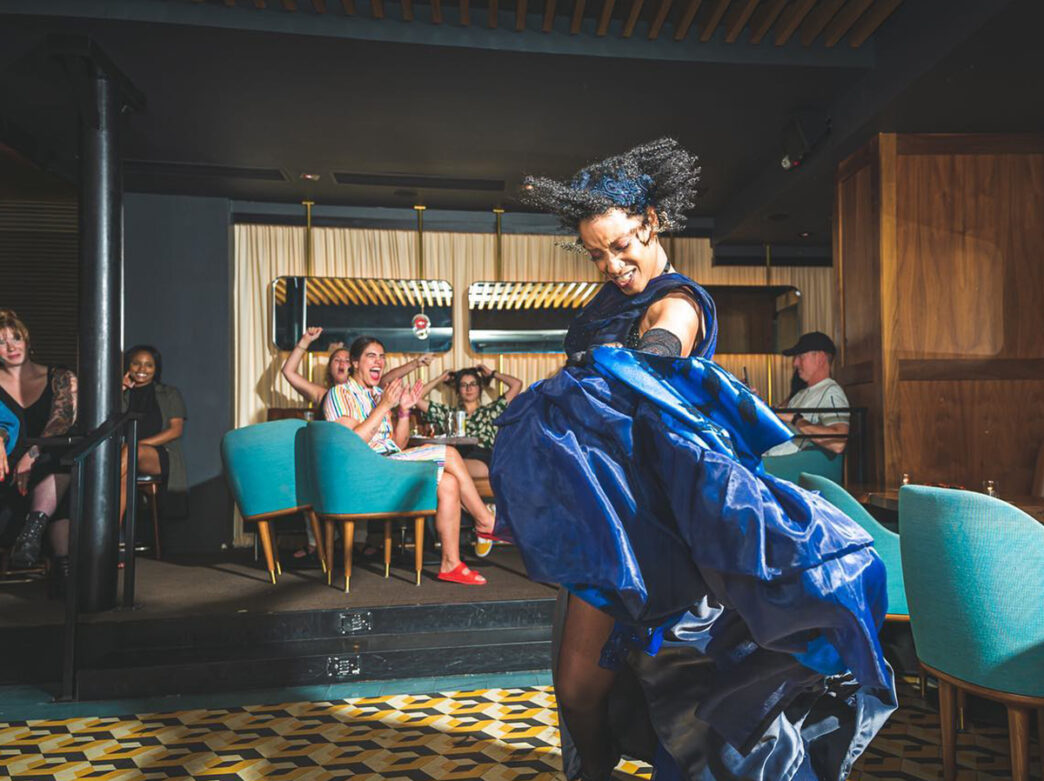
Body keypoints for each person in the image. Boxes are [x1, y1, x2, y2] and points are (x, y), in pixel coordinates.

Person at [490, 139, 895, 780]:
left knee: (594, 689)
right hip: (606, 507)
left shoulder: (678, 299)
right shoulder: (607, 299)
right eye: (597, 253)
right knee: (591, 689)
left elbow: (659, 348)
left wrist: (637, 359)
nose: (612, 264)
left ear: (650, 222)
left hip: (650, 519)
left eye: (622, 245)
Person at [322, 336, 496, 585]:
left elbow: (397, 444)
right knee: (449, 453)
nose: (379, 362)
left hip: (386, 465)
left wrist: (403, 411)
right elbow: (352, 445)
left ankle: (450, 563)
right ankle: (484, 521)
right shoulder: (339, 394)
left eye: (382, 357)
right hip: (363, 473)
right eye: (371, 356)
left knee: (448, 483)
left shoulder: (377, 395)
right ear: (355, 363)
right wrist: (383, 407)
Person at [279, 326, 433, 562]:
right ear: (335, 367)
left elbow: (387, 379)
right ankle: (315, 544)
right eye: (336, 360)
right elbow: (289, 372)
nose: (341, 363)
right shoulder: (325, 394)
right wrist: (305, 342)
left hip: (365, 459)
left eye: (345, 359)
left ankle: (358, 544)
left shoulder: (371, 392)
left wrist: (416, 365)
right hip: (333, 459)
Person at [0, 310, 77, 592]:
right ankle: (60, 564)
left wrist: (32, 454)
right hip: (7, 467)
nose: (11, 347)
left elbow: (63, 420)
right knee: (57, 490)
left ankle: (33, 535)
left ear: (27, 340)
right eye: (1, 342)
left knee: (57, 463)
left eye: (16, 338)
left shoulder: (59, 376)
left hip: (47, 459)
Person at [416, 364, 523, 480]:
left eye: (473, 384)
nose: (469, 388)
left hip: (483, 458)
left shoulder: (491, 410)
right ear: (458, 390)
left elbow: (517, 384)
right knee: (443, 466)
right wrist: (441, 378)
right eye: (463, 385)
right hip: (457, 456)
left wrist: (492, 374)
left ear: (479, 388)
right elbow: (415, 398)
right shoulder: (449, 414)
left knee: (443, 466)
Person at [120, 345, 188, 522]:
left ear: (156, 369)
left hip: (159, 455)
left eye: (149, 365)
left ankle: (101, 490)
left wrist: (139, 444)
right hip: (124, 456)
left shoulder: (169, 394)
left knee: (129, 451)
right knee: (123, 476)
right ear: (128, 366)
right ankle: (111, 534)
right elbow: (105, 424)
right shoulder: (120, 394)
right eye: (136, 363)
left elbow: (176, 430)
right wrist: (120, 391)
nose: (142, 369)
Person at [764, 331, 850, 457]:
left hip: (782, 466)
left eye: (801, 357)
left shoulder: (831, 392)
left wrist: (795, 419)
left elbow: (838, 443)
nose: (795, 363)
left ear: (820, 358)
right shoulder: (801, 394)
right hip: (768, 457)